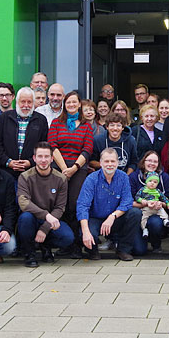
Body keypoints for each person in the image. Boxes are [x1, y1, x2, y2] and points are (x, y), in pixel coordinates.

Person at [47, 91, 94, 252]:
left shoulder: (86, 125)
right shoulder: (56, 123)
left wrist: (73, 169)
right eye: (68, 102)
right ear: (64, 105)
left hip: (78, 168)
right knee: (60, 204)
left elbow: (87, 149)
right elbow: (52, 146)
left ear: (79, 104)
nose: (71, 105)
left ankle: (75, 244)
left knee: (74, 204)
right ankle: (63, 243)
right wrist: (63, 169)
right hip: (58, 168)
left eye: (74, 102)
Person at [77, 148, 142, 261]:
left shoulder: (123, 177)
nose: (110, 164)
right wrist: (86, 232)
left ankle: (123, 250)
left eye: (113, 161)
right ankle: (92, 250)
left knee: (135, 213)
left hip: (115, 218)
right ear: (101, 163)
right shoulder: (91, 179)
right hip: (95, 218)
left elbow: (127, 202)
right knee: (88, 232)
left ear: (117, 163)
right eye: (106, 161)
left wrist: (113, 216)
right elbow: (82, 206)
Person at [17, 142, 75, 267]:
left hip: (51, 219)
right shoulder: (25, 177)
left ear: (52, 158)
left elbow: (60, 207)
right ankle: (29, 253)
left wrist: (44, 228)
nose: (43, 160)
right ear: (34, 158)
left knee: (67, 237)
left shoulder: (61, 178)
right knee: (25, 217)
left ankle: (45, 247)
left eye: (46, 156)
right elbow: (23, 202)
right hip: (32, 218)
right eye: (40, 156)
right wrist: (45, 215)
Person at [0, 87, 49, 180]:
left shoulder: (41, 120)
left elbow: (44, 145)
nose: (26, 105)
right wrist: (8, 162)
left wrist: (31, 162)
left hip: (32, 173)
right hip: (6, 173)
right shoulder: (4, 118)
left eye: (29, 102)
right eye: (23, 102)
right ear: (16, 102)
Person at [129, 150, 169, 254]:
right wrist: (144, 203)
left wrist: (160, 204)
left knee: (156, 223)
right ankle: (140, 238)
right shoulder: (134, 177)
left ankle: (156, 244)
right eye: (149, 160)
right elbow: (128, 201)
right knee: (139, 251)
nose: (152, 164)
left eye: (155, 162)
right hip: (139, 213)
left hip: (156, 213)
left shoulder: (164, 177)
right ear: (143, 161)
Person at [135, 172, 169, 238]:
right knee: (143, 218)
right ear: (146, 181)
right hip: (146, 208)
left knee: (163, 212)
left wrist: (168, 203)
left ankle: (165, 220)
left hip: (157, 207)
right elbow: (137, 197)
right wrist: (142, 201)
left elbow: (164, 198)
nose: (152, 183)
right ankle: (144, 229)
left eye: (155, 182)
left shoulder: (157, 191)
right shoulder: (143, 190)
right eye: (150, 181)